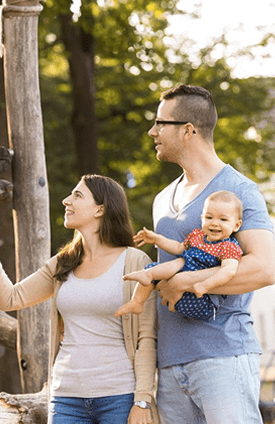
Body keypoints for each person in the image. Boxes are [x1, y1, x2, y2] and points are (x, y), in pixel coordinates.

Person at [0, 174, 159, 424]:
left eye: (77, 195)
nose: (67, 201)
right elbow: (9, 299)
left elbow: (145, 338)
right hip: (66, 398)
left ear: (100, 209)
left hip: (119, 396)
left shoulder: (134, 261)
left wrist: (143, 399)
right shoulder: (62, 264)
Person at [147, 84, 275, 424]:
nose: (152, 131)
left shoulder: (239, 190)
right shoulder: (161, 200)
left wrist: (187, 281)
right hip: (170, 365)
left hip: (223, 356)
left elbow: (265, 267)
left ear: (188, 130)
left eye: (160, 123)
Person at [116, 190, 243, 320]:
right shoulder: (197, 236)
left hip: (202, 298)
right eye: (209, 217)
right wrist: (157, 239)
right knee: (155, 267)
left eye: (223, 219)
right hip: (179, 289)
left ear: (236, 225)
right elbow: (177, 247)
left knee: (180, 262)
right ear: (202, 218)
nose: (215, 223)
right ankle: (137, 302)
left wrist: (206, 285)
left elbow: (229, 271)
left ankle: (148, 276)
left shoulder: (229, 246)